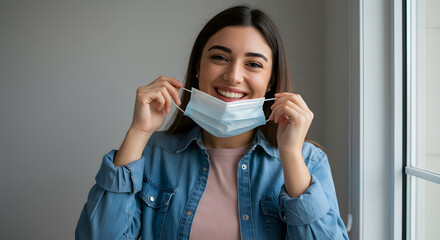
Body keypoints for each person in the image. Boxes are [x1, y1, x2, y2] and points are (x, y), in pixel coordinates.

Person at [75, 5, 349, 240]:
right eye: (219, 58)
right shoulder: (153, 155)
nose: (233, 75)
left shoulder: (309, 161)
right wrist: (139, 131)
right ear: (198, 67)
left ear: (271, 80)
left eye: (253, 64)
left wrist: (290, 154)